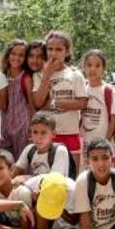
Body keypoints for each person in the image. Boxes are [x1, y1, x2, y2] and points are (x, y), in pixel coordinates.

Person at [12, 112, 70, 229]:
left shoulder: (60, 151)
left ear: (53, 134)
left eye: (43, 132)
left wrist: (26, 178)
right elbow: (13, 174)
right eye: (34, 132)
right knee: (19, 193)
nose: (38, 137)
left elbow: (53, 181)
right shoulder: (29, 150)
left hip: (59, 201)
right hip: (37, 196)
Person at [32, 30, 88, 168]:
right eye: (50, 49)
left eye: (58, 49)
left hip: (70, 133)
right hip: (47, 135)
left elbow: (82, 102)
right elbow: (38, 102)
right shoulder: (39, 75)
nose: (53, 53)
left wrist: (53, 103)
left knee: (71, 175)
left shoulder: (75, 75)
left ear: (67, 52)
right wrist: (47, 74)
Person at [0, 39, 33, 159]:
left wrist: (32, 127)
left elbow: (31, 104)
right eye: (13, 54)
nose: (16, 58)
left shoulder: (26, 78)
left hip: (23, 126)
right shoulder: (2, 76)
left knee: (23, 160)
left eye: (21, 55)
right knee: (6, 160)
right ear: (8, 54)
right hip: (5, 125)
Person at [80, 50, 115, 149]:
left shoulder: (109, 91)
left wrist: (106, 141)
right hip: (84, 143)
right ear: (84, 67)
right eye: (89, 65)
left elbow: (114, 119)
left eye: (97, 66)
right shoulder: (81, 89)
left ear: (103, 69)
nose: (93, 69)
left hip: (102, 144)